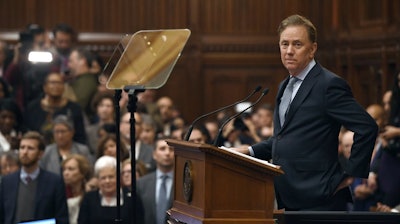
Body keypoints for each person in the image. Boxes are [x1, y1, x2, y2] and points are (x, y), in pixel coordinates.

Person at [233, 14, 378, 211]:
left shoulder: (329, 85)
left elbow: (367, 127)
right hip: (288, 196)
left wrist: (350, 175)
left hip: (320, 198)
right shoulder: (284, 85)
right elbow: (285, 138)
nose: (289, 51)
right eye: (284, 44)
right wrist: (248, 151)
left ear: (312, 49)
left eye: (297, 44)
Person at [0, 131, 69, 223]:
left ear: (40, 154)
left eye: (30, 148)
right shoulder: (7, 181)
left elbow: (62, 217)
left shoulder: (54, 182)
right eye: (22, 147)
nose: (25, 152)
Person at [78, 155, 144, 224]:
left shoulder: (132, 198)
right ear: (98, 180)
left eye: (111, 177)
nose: (107, 181)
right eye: (103, 178)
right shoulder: (89, 199)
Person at [24, 72, 87, 145]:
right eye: (53, 83)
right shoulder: (32, 108)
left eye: (59, 83)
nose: (56, 86)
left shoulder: (74, 108)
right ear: (45, 87)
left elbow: (80, 136)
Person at [137, 137, 174, 224]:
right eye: (162, 149)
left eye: (171, 149)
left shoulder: (183, 183)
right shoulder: (141, 183)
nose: (167, 153)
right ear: (154, 154)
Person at [62, 154, 92, 224]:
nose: (65, 173)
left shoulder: (91, 194)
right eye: (64, 169)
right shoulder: (60, 193)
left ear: (82, 172)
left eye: (71, 169)